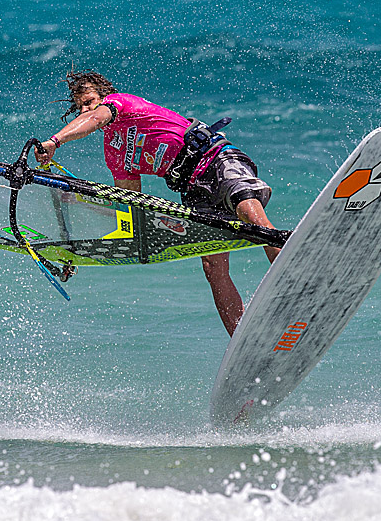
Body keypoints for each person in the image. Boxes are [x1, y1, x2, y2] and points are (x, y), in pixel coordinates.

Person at [35, 70, 281, 337]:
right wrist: (79, 202)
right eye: (80, 105)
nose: (85, 108)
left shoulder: (120, 103)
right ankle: (244, 341)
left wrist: (54, 141)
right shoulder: (114, 152)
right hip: (191, 187)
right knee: (213, 267)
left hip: (214, 159)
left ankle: (294, 279)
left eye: (90, 100)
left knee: (249, 213)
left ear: (104, 97)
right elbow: (129, 208)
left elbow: (95, 118)